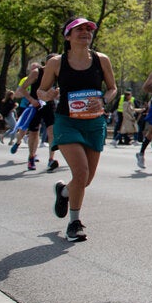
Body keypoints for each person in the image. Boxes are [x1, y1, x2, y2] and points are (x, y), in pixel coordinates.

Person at [38, 17, 117, 242]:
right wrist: (49, 94)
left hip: (94, 123)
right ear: (68, 36)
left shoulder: (101, 60)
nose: (85, 32)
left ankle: (63, 192)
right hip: (67, 121)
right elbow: (41, 92)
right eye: (79, 29)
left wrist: (103, 99)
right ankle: (74, 222)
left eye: (88, 29)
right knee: (80, 172)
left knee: (86, 179)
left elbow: (112, 88)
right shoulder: (56, 63)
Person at [14, 55, 62, 172]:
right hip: (36, 105)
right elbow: (22, 89)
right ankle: (31, 157)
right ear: (47, 62)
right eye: (55, 61)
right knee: (34, 133)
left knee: (52, 131)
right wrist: (32, 100)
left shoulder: (58, 73)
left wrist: (57, 92)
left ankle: (51, 160)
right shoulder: (37, 72)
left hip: (49, 105)